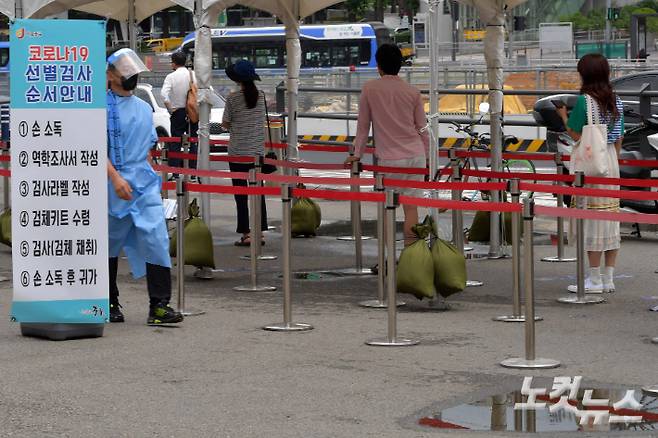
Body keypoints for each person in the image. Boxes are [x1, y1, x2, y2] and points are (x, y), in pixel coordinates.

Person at [106, 48, 184, 324]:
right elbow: (93, 148)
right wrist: (115, 178)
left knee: (157, 239)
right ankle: (109, 302)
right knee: (109, 245)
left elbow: (148, 146)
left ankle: (159, 305)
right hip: (112, 184)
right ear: (109, 75)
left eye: (132, 69)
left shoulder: (143, 107)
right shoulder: (100, 107)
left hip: (144, 183)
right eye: (123, 70)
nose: (130, 75)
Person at [345, 43, 429, 246]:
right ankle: (411, 258)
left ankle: (386, 257)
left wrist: (358, 153)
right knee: (411, 207)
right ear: (400, 65)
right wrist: (427, 158)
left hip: (389, 160)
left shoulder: (370, 89)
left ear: (379, 65)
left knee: (387, 208)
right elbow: (423, 129)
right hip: (415, 155)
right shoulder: (412, 92)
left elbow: (363, 126)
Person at [557, 53, 624, 294]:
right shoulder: (616, 100)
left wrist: (564, 116)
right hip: (611, 162)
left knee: (593, 220)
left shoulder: (585, 102)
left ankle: (594, 280)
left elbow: (576, 134)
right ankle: (609, 279)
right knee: (611, 220)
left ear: (585, 75)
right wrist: (610, 159)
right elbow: (619, 137)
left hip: (592, 165)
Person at [221, 60, 268, 247]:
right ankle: (260, 231)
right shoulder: (262, 96)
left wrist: (236, 126)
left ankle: (246, 234)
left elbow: (225, 123)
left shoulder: (232, 99)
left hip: (237, 153)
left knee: (241, 195)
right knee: (259, 192)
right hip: (257, 153)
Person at [161, 51, 198, 176]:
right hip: (192, 110)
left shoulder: (171, 77)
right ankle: (193, 171)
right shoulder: (193, 75)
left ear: (174, 63)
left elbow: (164, 95)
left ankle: (175, 172)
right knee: (193, 140)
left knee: (176, 141)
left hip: (178, 112)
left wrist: (170, 109)